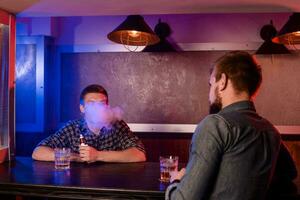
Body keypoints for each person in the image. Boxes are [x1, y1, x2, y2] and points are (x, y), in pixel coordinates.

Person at [166, 51, 282, 200]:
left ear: (222, 82)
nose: (209, 93)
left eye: (211, 84)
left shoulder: (214, 125)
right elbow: (289, 175)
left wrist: (176, 180)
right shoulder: (271, 131)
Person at [32, 84, 146, 163]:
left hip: (111, 186)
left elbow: (139, 155)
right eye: (92, 104)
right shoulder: (73, 127)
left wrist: (97, 155)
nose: (98, 108)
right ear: (82, 108)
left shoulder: (117, 125)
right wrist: (76, 157)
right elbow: (38, 152)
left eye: (101, 104)